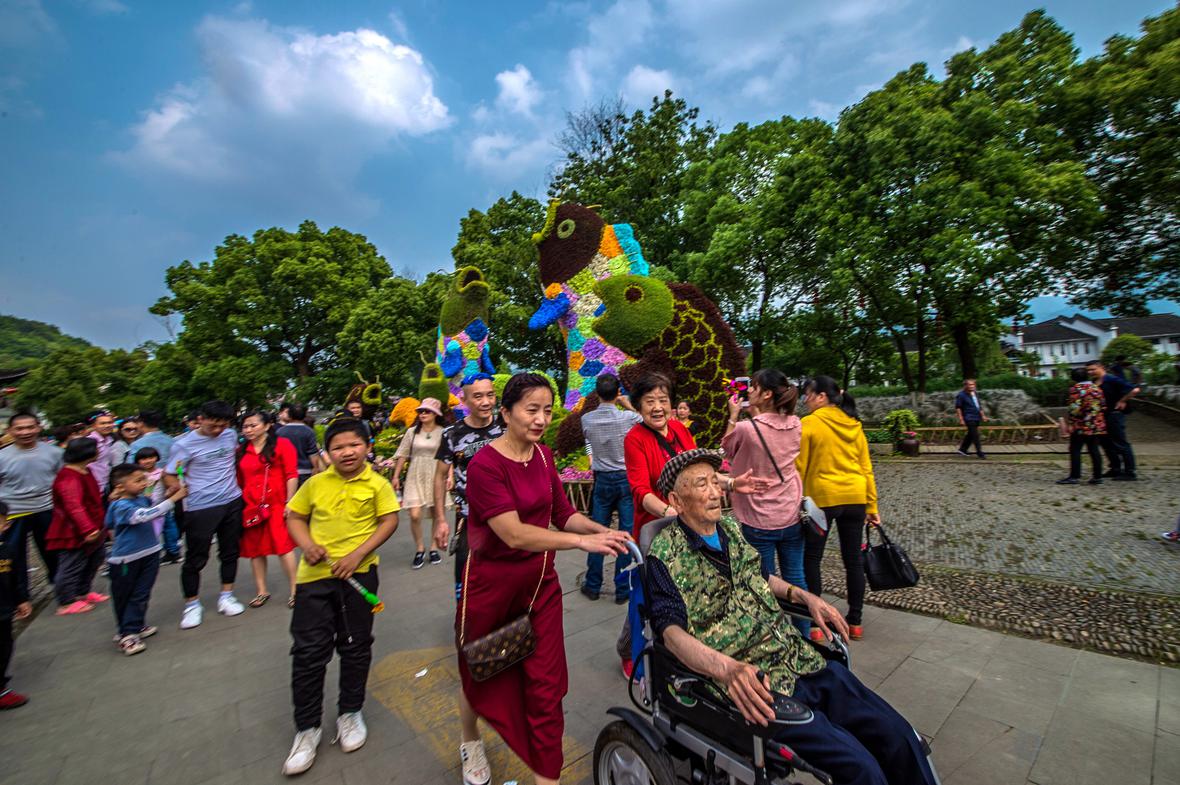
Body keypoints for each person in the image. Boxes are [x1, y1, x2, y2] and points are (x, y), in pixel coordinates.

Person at [647, 449, 937, 785]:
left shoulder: (730, 528)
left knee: (900, 737)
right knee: (861, 768)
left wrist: (804, 596)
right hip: (757, 687)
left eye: (716, 482)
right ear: (676, 501)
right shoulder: (665, 555)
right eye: (702, 485)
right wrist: (728, 669)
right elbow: (670, 634)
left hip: (797, 658)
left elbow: (761, 577)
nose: (715, 493)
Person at [457, 373, 630, 785]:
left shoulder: (544, 456)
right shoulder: (484, 465)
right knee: (483, 673)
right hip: (493, 592)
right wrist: (580, 543)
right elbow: (514, 534)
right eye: (531, 410)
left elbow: (562, 513)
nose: (541, 419)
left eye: (547, 411)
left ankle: (546, 776)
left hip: (540, 590)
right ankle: (469, 740)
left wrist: (600, 531)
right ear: (506, 413)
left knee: (546, 689)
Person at [621, 372, 766, 675]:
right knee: (644, 598)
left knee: (677, 593)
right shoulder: (634, 439)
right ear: (638, 406)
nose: (657, 407)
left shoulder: (678, 429)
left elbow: (699, 472)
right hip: (655, 529)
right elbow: (640, 491)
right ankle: (633, 656)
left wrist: (732, 483)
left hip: (690, 526)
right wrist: (670, 511)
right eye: (649, 401)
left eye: (663, 400)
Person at [281, 418, 400, 776]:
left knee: (355, 646)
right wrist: (307, 545)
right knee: (308, 653)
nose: (347, 452)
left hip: (359, 578)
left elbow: (389, 521)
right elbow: (294, 517)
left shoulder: (378, 484)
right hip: (313, 580)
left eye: (354, 445)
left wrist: (357, 555)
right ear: (327, 452)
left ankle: (350, 713)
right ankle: (307, 729)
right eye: (338, 447)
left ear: (367, 447)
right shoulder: (315, 484)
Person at [430, 372, 502, 785]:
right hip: (470, 526)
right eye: (478, 396)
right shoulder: (452, 435)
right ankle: (470, 738)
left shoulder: (505, 426)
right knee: (470, 606)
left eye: (490, 395)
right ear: (465, 399)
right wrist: (440, 519)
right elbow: (440, 476)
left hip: (508, 527)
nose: (486, 402)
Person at [721, 369, 808, 634]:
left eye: (755, 386)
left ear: (767, 393)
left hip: (759, 517)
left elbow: (726, 450)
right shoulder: (796, 424)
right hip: (791, 513)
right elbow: (769, 434)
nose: (749, 390)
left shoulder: (747, 428)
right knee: (796, 577)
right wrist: (754, 414)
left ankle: (773, 637)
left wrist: (734, 416)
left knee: (764, 582)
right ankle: (804, 634)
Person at [797, 376, 877, 642]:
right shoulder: (854, 425)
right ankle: (855, 622)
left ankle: (815, 624)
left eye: (808, 394)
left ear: (821, 397)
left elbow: (800, 466)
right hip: (855, 497)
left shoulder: (809, 423)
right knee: (853, 560)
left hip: (823, 498)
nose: (805, 400)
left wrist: (797, 499)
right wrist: (872, 504)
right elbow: (866, 467)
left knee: (812, 558)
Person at [164, 399, 246, 629]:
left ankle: (227, 596)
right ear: (200, 419)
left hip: (231, 501)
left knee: (230, 552)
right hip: (200, 507)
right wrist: (174, 486)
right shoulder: (183, 445)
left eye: (223, 425)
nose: (218, 430)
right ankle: (192, 605)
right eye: (213, 425)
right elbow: (170, 473)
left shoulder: (230, 435)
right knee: (196, 558)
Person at [105, 463, 187, 656]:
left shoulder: (141, 499)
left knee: (141, 593)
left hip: (149, 553)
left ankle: (135, 625)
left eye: (144, 479)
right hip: (126, 560)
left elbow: (155, 510)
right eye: (138, 480)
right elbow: (143, 516)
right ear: (120, 486)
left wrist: (166, 497)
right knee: (126, 596)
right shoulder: (121, 505)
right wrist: (174, 499)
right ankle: (127, 634)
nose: (144, 483)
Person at [579, 374, 641, 604]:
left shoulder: (586, 419)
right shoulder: (628, 417)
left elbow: (589, 440)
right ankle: (623, 589)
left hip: (602, 479)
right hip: (625, 478)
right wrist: (627, 403)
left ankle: (593, 585)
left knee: (598, 532)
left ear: (597, 393)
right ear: (618, 393)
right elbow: (645, 419)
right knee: (626, 534)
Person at [237, 411, 299, 609]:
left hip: (277, 504)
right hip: (251, 507)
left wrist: (290, 502)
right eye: (245, 426)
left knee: (283, 547)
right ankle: (261, 590)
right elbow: (240, 480)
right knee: (255, 550)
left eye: (253, 425)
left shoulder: (282, 445)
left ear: (266, 425)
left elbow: (291, 474)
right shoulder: (241, 450)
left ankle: (296, 590)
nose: (248, 430)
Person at [0, 412, 63, 587]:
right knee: (13, 556)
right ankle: (20, 597)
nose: (25, 432)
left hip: (47, 509)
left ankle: (60, 588)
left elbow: (63, 482)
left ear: (39, 427)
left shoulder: (55, 452)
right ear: (10, 431)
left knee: (54, 552)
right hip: (13, 513)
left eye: (30, 427)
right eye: (19, 429)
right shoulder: (2, 456)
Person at [46, 438, 107, 615]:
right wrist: (87, 528)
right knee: (72, 564)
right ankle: (66, 601)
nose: (99, 452)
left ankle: (82, 591)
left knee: (95, 558)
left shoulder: (85, 470)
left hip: (94, 525)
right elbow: (74, 505)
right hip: (73, 530)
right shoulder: (69, 477)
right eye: (96, 449)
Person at [392, 398, 447, 569]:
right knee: (415, 514)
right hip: (415, 473)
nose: (423, 414)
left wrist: (450, 476)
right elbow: (402, 454)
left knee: (436, 513)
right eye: (421, 411)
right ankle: (419, 548)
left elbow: (448, 456)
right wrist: (395, 476)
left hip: (436, 473)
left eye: (427, 411)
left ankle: (433, 548)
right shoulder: (412, 432)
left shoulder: (443, 432)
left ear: (435, 414)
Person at [128, 410, 181, 563]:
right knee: (168, 520)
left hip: (146, 491)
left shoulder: (137, 444)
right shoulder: (170, 440)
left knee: (149, 521)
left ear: (141, 423)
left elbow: (130, 468)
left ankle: (149, 551)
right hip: (169, 486)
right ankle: (173, 550)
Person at [0, 500, 33, 709]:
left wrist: (21, 599)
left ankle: (1, 688)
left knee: (5, 645)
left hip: (4, 610)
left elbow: (14, 578)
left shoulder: (7, 550)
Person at [1086, 360, 1140, 481]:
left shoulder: (1112, 379)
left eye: (1093, 369)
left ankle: (1130, 471)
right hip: (1101, 416)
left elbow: (1134, 390)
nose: (1090, 372)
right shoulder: (1094, 382)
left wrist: (1122, 401)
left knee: (1120, 442)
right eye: (1088, 370)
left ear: (1101, 367)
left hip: (1114, 414)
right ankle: (1115, 467)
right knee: (1106, 443)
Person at [1057, 367, 1106, 486]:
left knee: (1075, 449)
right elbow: (1103, 405)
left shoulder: (1076, 390)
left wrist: (1071, 423)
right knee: (1094, 449)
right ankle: (1098, 476)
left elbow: (1074, 409)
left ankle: (1075, 476)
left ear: (1073, 378)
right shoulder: (1096, 388)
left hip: (1081, 424)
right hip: (1096, 423)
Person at [277, 403, 323, 487]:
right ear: (305, 415)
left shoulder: (280, 432)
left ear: (289, 415)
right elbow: (312, 452)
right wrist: (315, 468)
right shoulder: (309, 431)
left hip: (285, 472)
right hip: (306, 471)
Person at [85, 410, 118, 493]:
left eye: (109, 423)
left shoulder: (109, 439)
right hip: (93, 485)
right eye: (102, 423)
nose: (107, 426)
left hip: (106, 483)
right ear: (94, 426)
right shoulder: (90, 441)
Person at [954, 379, 988, 458]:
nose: (972, 386)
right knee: (975, 435)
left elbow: (978, 406)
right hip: (968, 417)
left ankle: (963, 449)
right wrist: (961, 419)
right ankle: (979, 452)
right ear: (965, 386)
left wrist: (983, 416)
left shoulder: (975, 393)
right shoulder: (961, 395)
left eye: (973, 385)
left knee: (971, 434)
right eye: (970, 385)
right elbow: (958, 407)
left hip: (976, 416)